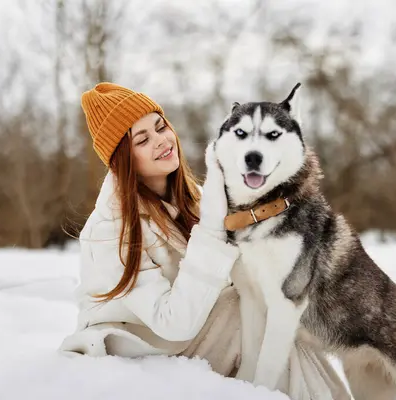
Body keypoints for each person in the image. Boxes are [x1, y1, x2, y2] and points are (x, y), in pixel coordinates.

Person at [59, 82, 351, 400]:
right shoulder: (109, 229)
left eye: (160, 127)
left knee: (276, 314)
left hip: (199, 333)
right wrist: (212, 225)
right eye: (142, 140)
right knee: (253, 315)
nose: (161, 141)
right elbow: (173, 324)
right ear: (123, 160)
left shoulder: (193, 197)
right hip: (142, 351)